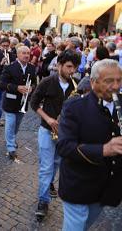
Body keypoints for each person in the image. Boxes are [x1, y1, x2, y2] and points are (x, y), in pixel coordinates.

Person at [57, 59, 122, 230]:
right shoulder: (74, 107)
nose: (116, 86)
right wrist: (104, 150)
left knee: (85, 225)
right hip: (78, 185)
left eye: (119, 80)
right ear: (93, 82)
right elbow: (64, 146)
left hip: (106, 186)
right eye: (109, 81)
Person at [30, 49, 81, 220]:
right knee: (46, 168)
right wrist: (49, 119)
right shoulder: (47, 82)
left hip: (65, 134)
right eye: (68, 67)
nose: (72, 71)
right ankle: (43, 201)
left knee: (56, 163)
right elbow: (34, 103)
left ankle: (47, 185)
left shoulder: (77, 85)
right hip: (46, 130)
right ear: (59, 65)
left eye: (74, 68)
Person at [0, 45, 37, 161]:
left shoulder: (31, 68)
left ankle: (11, 138)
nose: (27, 55)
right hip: (10, 102)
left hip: (23, 103)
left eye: (28, 53)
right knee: (10, 124)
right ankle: (11, 147)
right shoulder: (9, 68)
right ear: (18, 55)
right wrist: (17, 88)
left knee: (16, 125)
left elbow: (34, 83)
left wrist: (32, 88)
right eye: (24, 53)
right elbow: (2, 83)